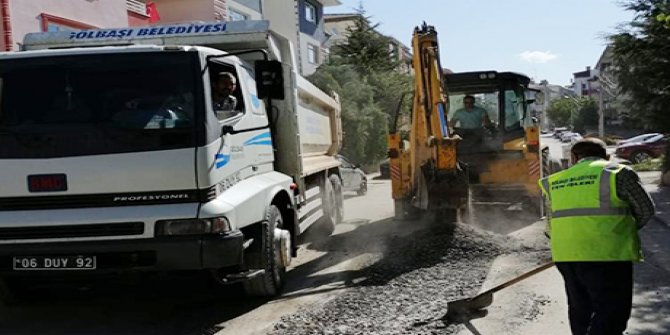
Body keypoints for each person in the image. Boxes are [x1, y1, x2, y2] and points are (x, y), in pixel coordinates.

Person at [538, 138, 655, 335]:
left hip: (567, 256)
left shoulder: (555, 181)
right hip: (608, 255)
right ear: (606, 156)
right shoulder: (617, 173)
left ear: (574, 157)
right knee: (611, 312)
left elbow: (550, 224)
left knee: (580, 310)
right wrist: (621, 230)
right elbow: (645, 210)